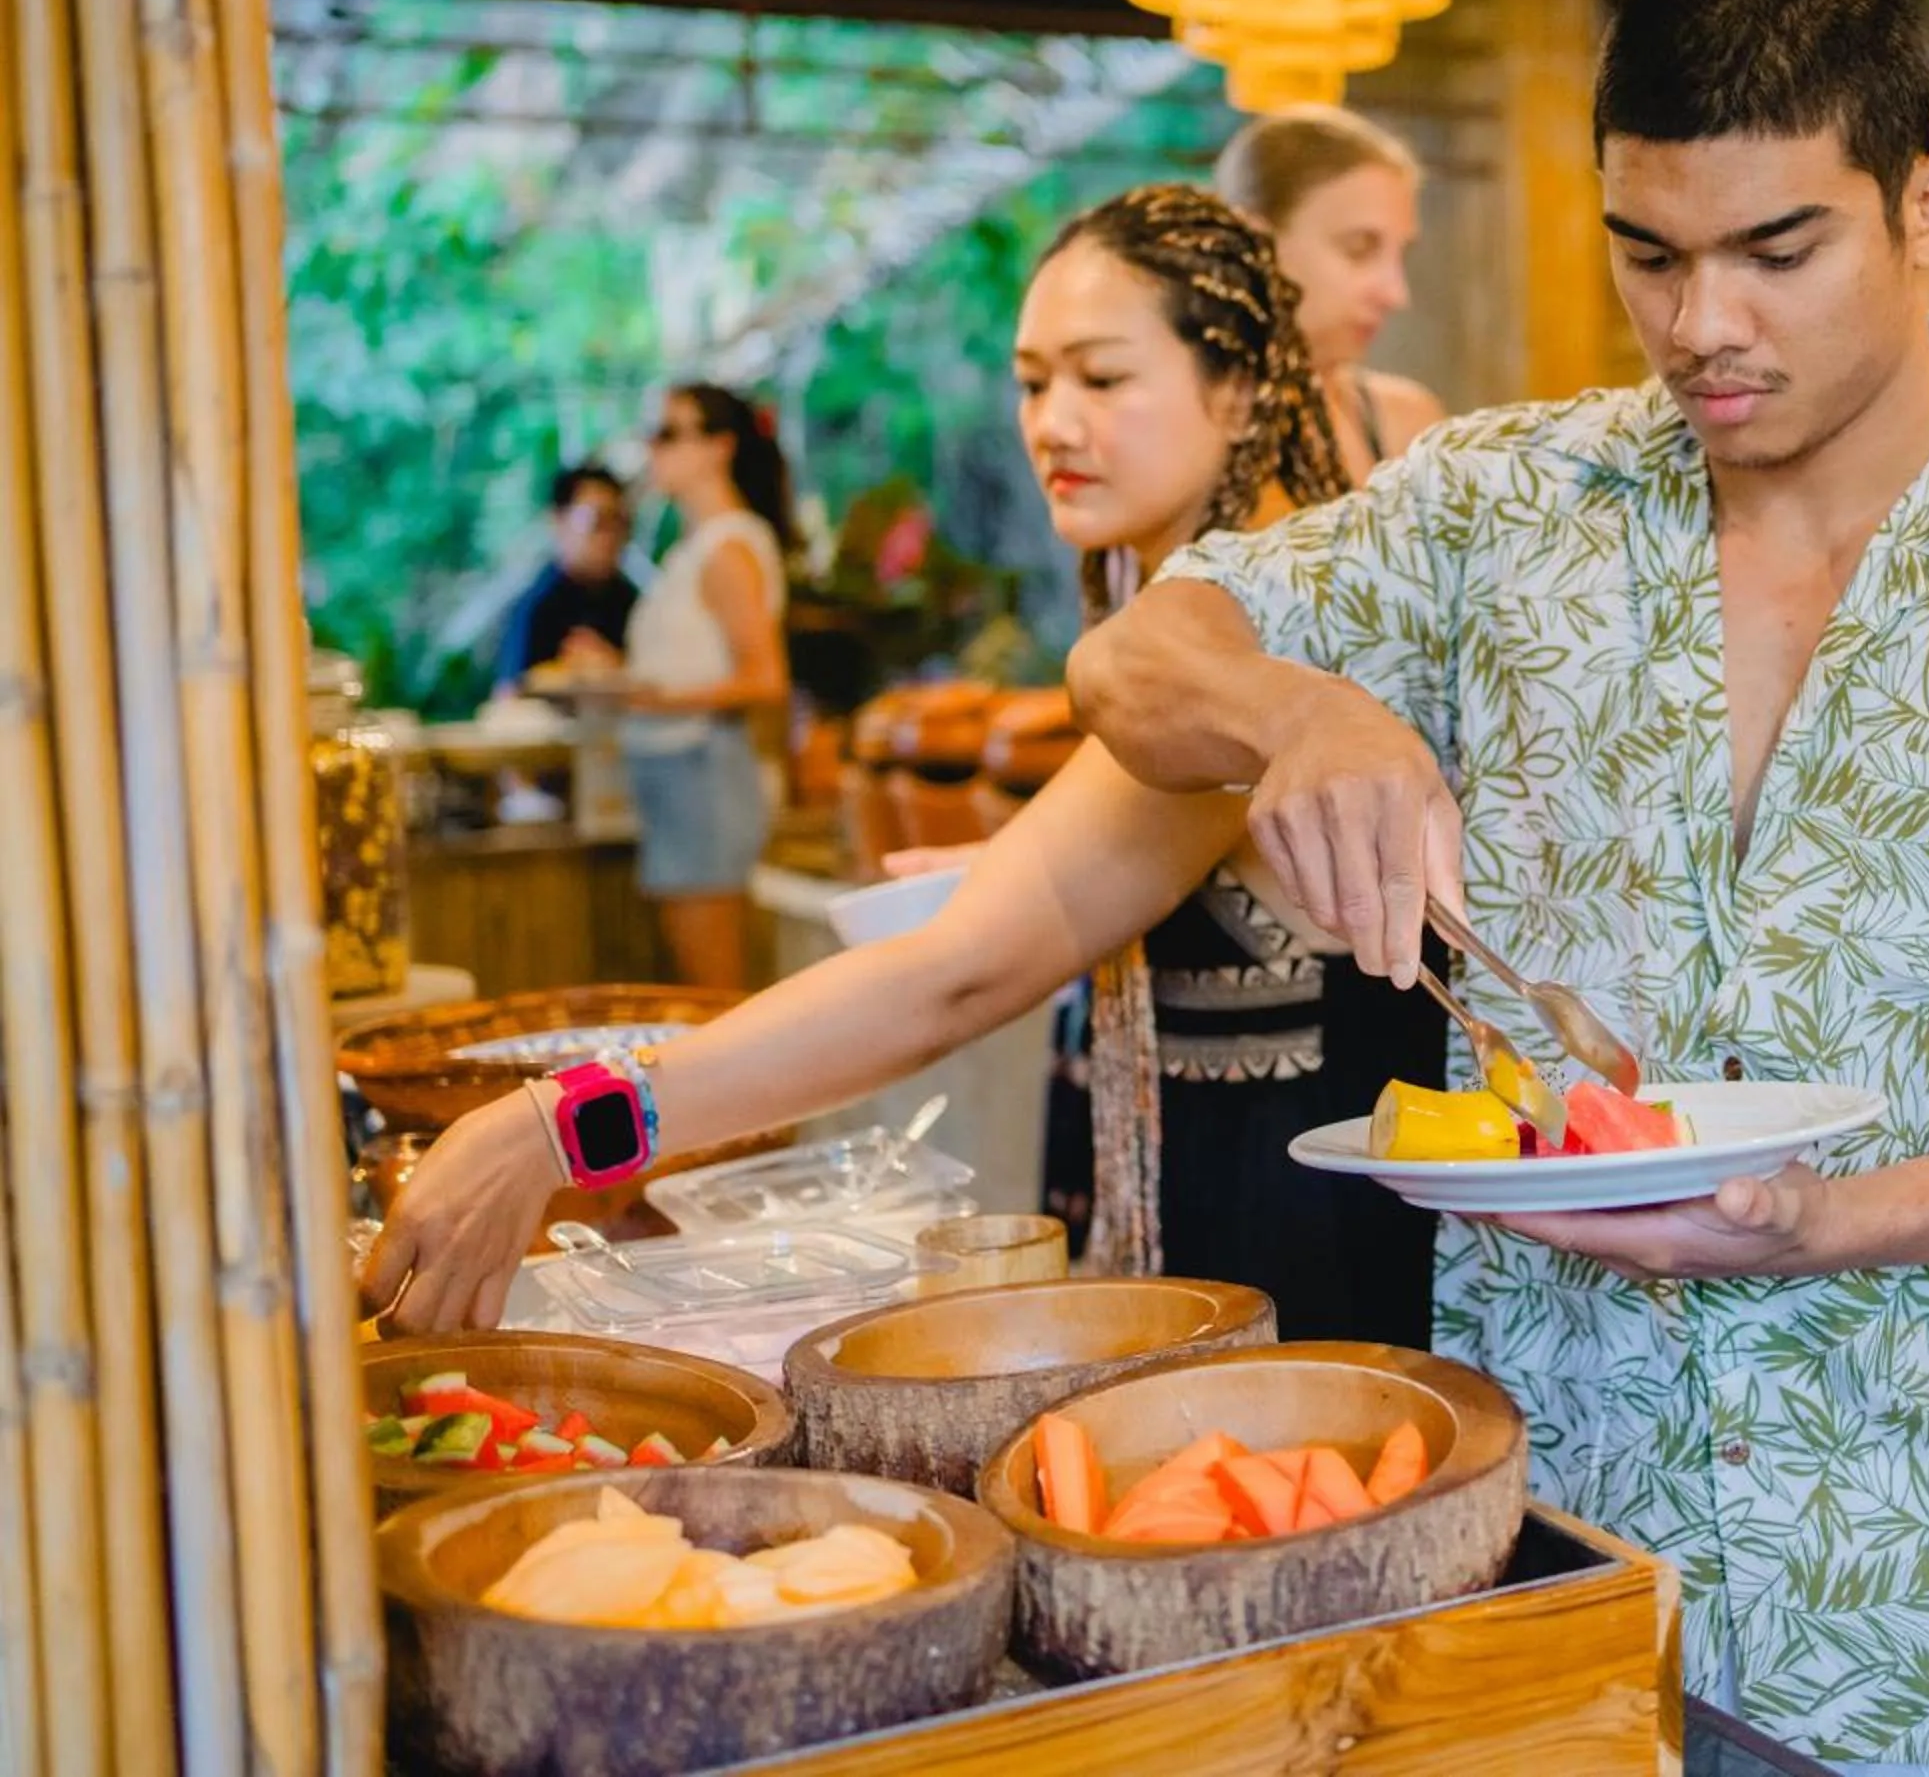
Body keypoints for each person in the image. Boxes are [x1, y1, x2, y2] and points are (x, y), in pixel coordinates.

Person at [1065, 0, 1929, 1777]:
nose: (1705, 328)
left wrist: (1831, 1222)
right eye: (1649, 255)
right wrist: (1296, 712)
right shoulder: (1502, 510)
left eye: (1779, 251)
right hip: (1558, 1608)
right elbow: (1133, 655)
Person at [364, 187, 1445, 1349]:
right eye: (1034, 383)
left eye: (1102, 377)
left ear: (1235, 391)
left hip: (1305, 1245)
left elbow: (957, 976)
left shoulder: (1265, 628)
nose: (1055, 423)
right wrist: (1019, 858)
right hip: (1229, 1199)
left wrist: (559, 1126)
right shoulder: (1186, 605)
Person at [624, 383, 796, 993]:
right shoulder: (696, 546)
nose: (653, 447)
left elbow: (765, 678)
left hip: (705, 771)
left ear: (719, 447)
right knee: (693, 981)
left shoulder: (727, 549)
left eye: (670, 432)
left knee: (714, 992)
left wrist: (655, 699)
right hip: (678, 775)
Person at [1215, 106, 1447, 484]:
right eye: (1359, 249)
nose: (1395, 294)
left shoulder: (1408, 425)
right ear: (1255, 242)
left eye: (1400, 254)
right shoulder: (1190, 435)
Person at [492, 462, 637, 693]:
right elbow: (511, 697)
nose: (609, 536)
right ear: (558, 521)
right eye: (595, 521)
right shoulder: (537, 608)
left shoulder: (633, 603)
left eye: (618, 521)